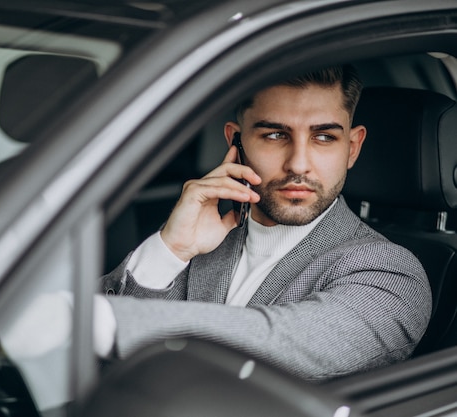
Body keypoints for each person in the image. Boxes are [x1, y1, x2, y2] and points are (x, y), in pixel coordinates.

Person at [97, 65, 432, 381]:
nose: (299, 164)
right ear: (235, 142)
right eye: (275, 135)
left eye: (324, 137)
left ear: (352, 148)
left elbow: (282, 341)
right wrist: (171, 250)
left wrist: (101, 321)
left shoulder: (391, 274)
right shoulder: (203, 237)